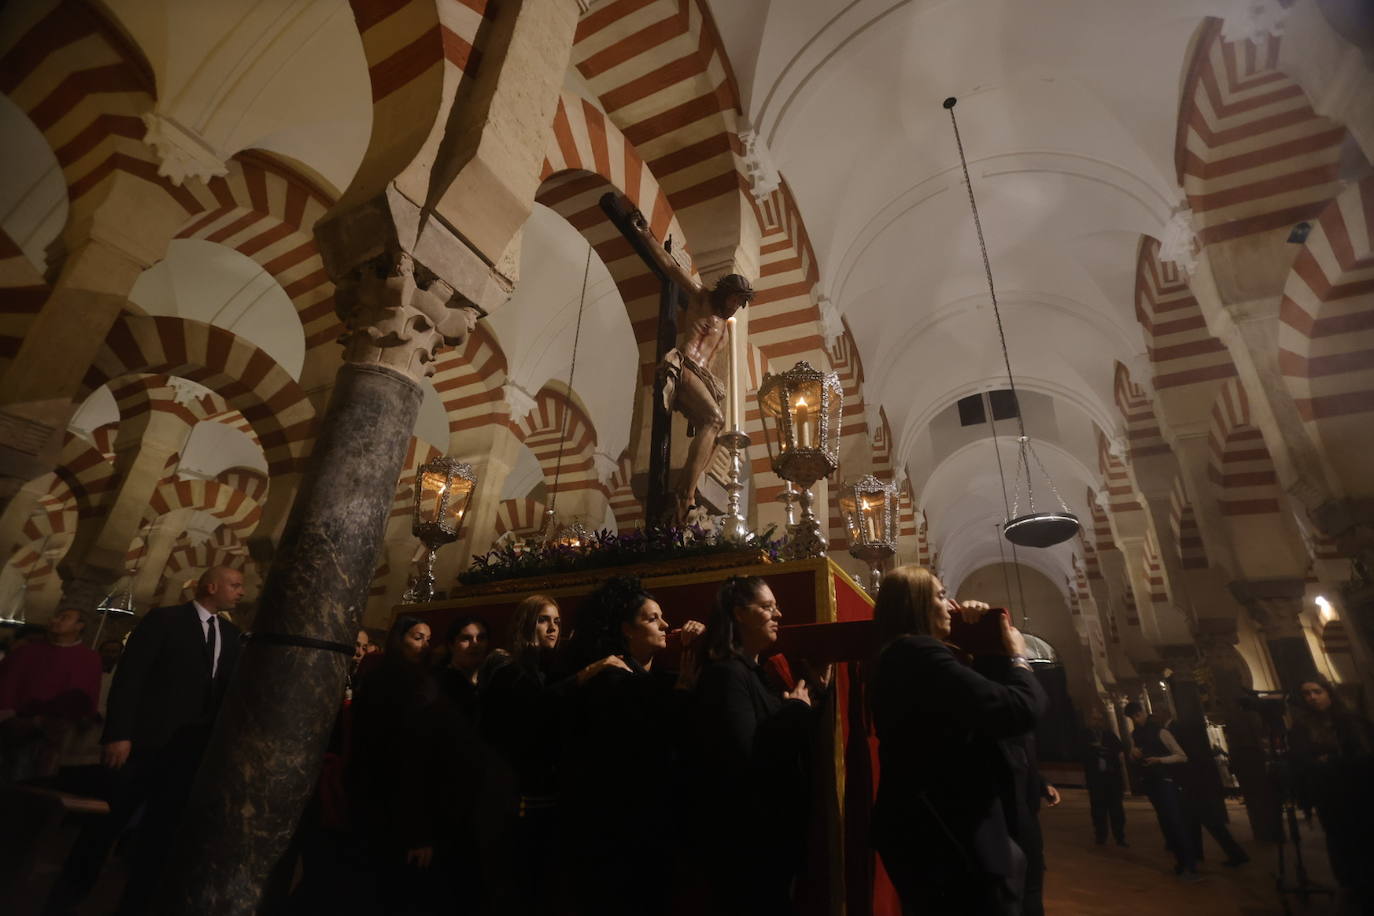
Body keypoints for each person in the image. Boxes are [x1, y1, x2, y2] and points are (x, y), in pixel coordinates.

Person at [46, 566, 245, 915]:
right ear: (211, 586)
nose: (241, 592)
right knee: (104, 826)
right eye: (235, 585)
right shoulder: (165, 620)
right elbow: (131, 678)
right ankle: (63, 901)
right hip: (143, 745)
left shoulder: (231, 634)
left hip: (188, 753)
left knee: (160, 835)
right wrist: (119, 734)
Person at [868, 565, 1045, 916]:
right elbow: (1015, 710)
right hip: (949, 837)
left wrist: (979, 639)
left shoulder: (899, 656)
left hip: (927, 833)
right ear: (917, 604)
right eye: (939, 595)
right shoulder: (918, 654)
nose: (951, 605)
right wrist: (1018, 658)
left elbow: (973, 706)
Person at [561, 577, 704, 915]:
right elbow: (646, 745)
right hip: (621, 832)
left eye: (662, 617)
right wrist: (683, 691)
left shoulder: (654, 677)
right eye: (652, 618)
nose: (665, 625)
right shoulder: (612, 679)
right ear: (626, 630)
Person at [692, 575, 820, 915]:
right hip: (747, 845)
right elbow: (745, 756)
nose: (778, 614)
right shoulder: (726, 675)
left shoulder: (752, 672)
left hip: (769, 840)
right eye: (767, 607)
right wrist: (795, 710)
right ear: (739, 614)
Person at [627, 201, 754, 523]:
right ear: (725, 293)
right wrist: (646, 236)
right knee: (714, 419)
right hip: (684, 367)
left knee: (718, 432)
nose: (735, 307)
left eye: (740, 303)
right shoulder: (701, 299)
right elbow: (672, 269)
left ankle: (690, 488)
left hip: (703, 377)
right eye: (734, 299)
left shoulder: (726, 326)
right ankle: (685, 493)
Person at [349, 615, 480, 915]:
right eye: (418, 637)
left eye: (428, 639)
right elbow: (401, 758)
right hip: (391, 805)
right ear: (399, 639)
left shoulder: (421, 679)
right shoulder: (386, 683)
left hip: (400, 803)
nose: (425, 645)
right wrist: (416, 830)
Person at [1288, 674, 1374, 913]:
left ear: (1328, 692)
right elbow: (1302, 760)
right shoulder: (1302, 727)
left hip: (1361, 794)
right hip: (1330, 798)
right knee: (1340, 844)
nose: (1312, 697)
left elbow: (1364, 756)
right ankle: (1352, 887)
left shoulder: (1352, 721)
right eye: (1306, 694)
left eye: (1317, 691)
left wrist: (1329, 759)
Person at [0, 607, 102, 783]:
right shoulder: (26, 652)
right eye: (55, 616)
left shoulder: (90, 658)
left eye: (64, 618)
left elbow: (88, 693)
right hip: (18, 726)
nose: (55, 620)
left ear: (79, 626)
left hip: (63, 735)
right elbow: (7, 683)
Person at [1123, 701, 1198, 881]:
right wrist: (1134, 755)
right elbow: (1133, 757)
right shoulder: (1135, 735)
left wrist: (1160, 760)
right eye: (1132, 718)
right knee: (1166, 823)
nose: (1136, 720)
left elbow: (1182, 756)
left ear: (1142, 712)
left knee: (1175, 822)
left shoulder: (1161, 732)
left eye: (1137, 716)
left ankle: (1189, 865)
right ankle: (1180, 861)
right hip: (1151, 782)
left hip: (1166, 781)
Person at [1174, 718, 1248, 868]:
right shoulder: (1196, 743)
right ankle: (1199, 854)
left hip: (1195, 786)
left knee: (1208, 822)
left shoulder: (1185, 743)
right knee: (1198, 821)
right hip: (1198, 785)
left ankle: (1234, 854)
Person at [1081, 707, 1127, 846]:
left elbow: (1120, 748)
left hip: (1111, 777)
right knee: (1098, 808)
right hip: (1096, 778)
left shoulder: (1108, 734)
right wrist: (1094, 749)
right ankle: (1101, 836)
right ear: (1089, 720)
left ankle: (1120, 836)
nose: (1097, 722)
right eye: (1095, 719)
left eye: (1100, 719)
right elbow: (1081, 752)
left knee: (1116, 808)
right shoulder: (1084, 735)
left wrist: (1106, 750)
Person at [439, 614, 493, 726]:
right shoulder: (440, 683)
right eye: (466, 638)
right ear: (451, 645)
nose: (475, 644)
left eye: (481, 638)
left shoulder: (491, 680)